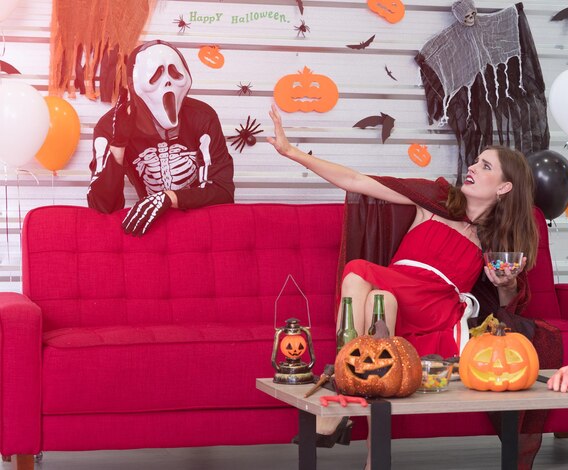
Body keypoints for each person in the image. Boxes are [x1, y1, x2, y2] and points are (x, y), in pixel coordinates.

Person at [268, 105, 539, 468]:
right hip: (395, 290)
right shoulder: (436, 201)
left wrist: (504, 284)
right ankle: (373, 452)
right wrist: (292, 152)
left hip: (435, 306)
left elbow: (507, 305)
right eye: (475, 162)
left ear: (505, 187)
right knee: (378, 296)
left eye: (485, 166)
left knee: (360, 272)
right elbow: (358, 181)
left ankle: (338, 393)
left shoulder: (497, 242)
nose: (472, 168)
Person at [87, 40, 234, 236]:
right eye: (156, 75)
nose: (167, 82)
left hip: (202, 228)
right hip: (153, 230)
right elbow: (101, 207)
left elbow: (223, 191)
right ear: (134, 85)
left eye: (175, 74)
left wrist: (169, 197)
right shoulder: (111, 126)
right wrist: (118, 147)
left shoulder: (202, 117)